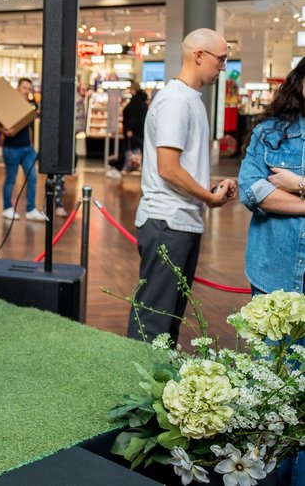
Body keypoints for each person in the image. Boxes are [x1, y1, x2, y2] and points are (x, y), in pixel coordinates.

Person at [126, 28, 238, 344]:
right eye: (220, 58)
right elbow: (168, 169)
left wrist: (210, 187)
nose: (223, 66)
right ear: (198, 55)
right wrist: (209, 198)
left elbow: (180, 168)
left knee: (168, 319)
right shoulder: (176, 100)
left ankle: (160, 390)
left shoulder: (190, 99)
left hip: (179, 221)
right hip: (167, 222)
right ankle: (137, 389)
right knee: (153, 321)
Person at [238, 56, 305, 486]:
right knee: (268, 389)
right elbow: (253, 191)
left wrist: (297, 182)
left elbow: (273, 190)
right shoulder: (268, 132)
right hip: (272, 275)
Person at [0, 78, 45, 222]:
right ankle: (7, 208)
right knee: (10, 179)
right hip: (11, 148)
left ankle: (31, 209)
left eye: (29, 89)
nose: (27, 91)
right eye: (24, 88)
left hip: (27, 148)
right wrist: (4, 130)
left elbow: (30, 127)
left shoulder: (30, 106)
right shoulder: (8, 105)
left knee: (32, 178)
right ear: (18, 88)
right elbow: (0, 123)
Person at [106, 80, 149, 179]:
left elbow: (132, 116)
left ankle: (118, 169)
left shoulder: (135, 102)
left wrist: (129, 129)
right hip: (140, 131)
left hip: (133, 132)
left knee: (126, 150)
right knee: (138, 150)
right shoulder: (143, 101)